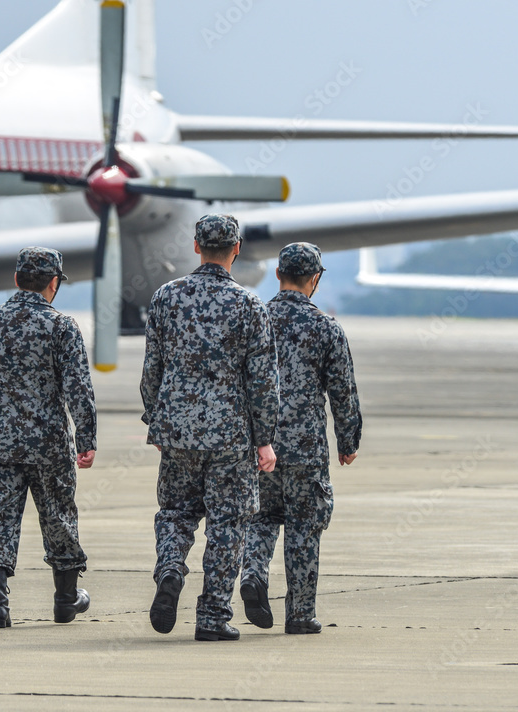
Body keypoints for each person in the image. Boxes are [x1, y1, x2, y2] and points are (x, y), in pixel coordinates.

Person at [140, 214, 279, 641]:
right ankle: (213, 618)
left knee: (176, 514)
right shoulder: (248, 303)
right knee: (227, 524)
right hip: (230, 436)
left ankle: (169, 570)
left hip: (177, 430)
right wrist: (265, 438)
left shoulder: (165, 297)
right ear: (236, 250)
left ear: (196, 246)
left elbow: (152, 371)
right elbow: (263, 380)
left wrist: (157, 420)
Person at [240, 242, 362, 635]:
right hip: (306, 448)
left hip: (258, 444)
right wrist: (348, 440)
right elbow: (343, 391)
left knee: (259, 518)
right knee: (303, 527)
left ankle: (253, 574)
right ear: (315, 279)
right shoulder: (326, 327)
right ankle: (300, 614)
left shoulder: (254, 320)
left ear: (277, 275)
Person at [0, 246, 97, 629]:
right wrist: (87, 437)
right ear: (53, 283)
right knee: (58, 518)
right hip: (49, 442)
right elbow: (78, 388)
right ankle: (64, 599)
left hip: (1, 440)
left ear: (16, 279)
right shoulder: (62, 326)